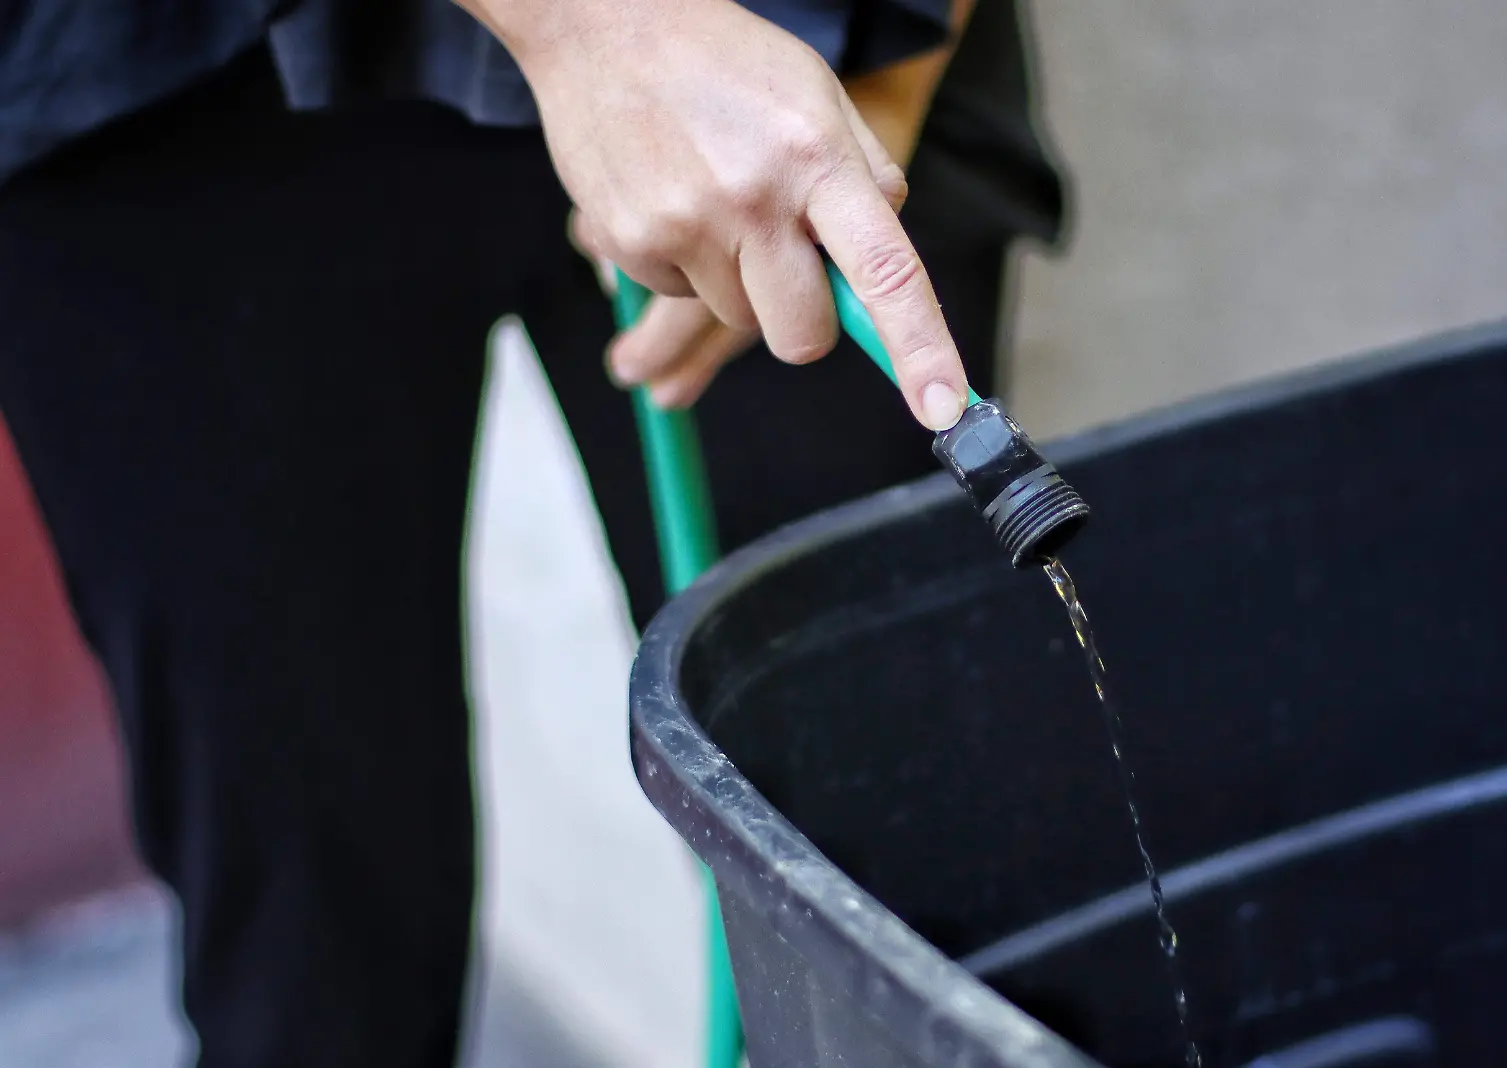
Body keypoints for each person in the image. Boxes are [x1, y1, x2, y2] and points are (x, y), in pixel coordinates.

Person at [0, 0, 1062, 1064]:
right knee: (310, 956)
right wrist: (597, 29)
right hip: (161, 104)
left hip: (788, 49)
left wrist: (894, 79)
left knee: (900, 886)